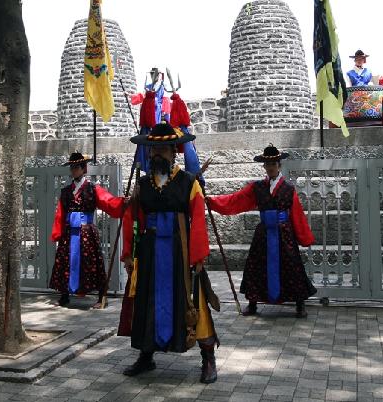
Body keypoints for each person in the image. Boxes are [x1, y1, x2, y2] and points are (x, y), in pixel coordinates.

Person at [119, 122, 219, 384]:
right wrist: (128, 252)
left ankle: (207, 357)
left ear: (174, 152)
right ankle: (146, 355)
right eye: (153, 149)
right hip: (150, 252)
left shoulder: (188, 182)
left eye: (162, 149)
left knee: (192, 301)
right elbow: (132, 216)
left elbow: (198, 218)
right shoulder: (142, 184)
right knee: (147, 300)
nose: (157, 154)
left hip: (180, 251)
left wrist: (198, 256)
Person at [206, 145, 317, 317]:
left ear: (279, 165)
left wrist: (304, 237)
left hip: (284, 234)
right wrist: (213, 201)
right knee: (256, 266)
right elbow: (237, 199)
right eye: (267, 164)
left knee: (292, 266)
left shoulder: (288, 189)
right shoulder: (257, 187)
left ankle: (300, 303)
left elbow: (296, 214)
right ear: (264, 167)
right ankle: (252, 303)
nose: (271, 167)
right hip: (264, 233)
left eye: (273, 163)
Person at [49, 152, 126, 309]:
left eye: (77, 167)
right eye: (72, 167)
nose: (74, 170)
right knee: (65, 262)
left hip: (86, 233)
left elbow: (108, 201)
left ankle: (101, 297)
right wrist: (58, 232)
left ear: (84, 169)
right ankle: (64, 296)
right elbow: (60, 214)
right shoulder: (66, 191)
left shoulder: (93, 189)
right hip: (69, 233)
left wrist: (124, 203)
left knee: (92, 263)